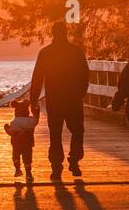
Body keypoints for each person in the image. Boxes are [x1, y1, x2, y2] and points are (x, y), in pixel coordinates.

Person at [29, 20, 90, 182]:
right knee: (77, 130)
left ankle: (56, 168)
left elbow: (37, 78)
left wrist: (33, 99)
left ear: (53, 33)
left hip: (54, 99)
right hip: (73, 99)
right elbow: (85, 74)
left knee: (55, 134)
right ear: (66, 33)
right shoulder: (76, 52)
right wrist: (80, 93)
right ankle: (74, 161)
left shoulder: (46, 53)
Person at [4, 97, 38, 182]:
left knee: (16, 157)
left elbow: (11, 132)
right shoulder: (31, 121)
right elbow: (36, 120)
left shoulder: (15, 122)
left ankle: (18, 170)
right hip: (28, 144)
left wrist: (6, 128)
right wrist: (36, 111)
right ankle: (28, 174)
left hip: (16, 144)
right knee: (27, 159)